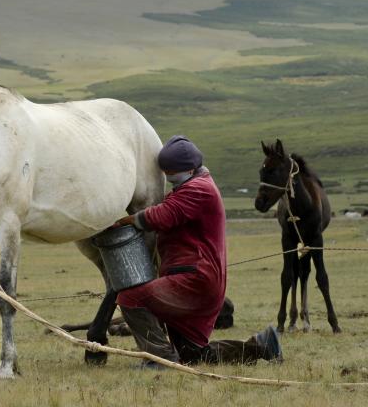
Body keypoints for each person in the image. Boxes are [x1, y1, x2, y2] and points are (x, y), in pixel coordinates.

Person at [112, 135, 282, 367]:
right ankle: (262, 345)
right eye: (165, 170)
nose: (168, 175)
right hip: (198, 278)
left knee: (129, 298)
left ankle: (158, 359)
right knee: (194, 356)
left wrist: (127, 220)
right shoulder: (193, 185)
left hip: (193, 279)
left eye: (171, 171)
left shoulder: (198, 189)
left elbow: (163, 215)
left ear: (190, 168)